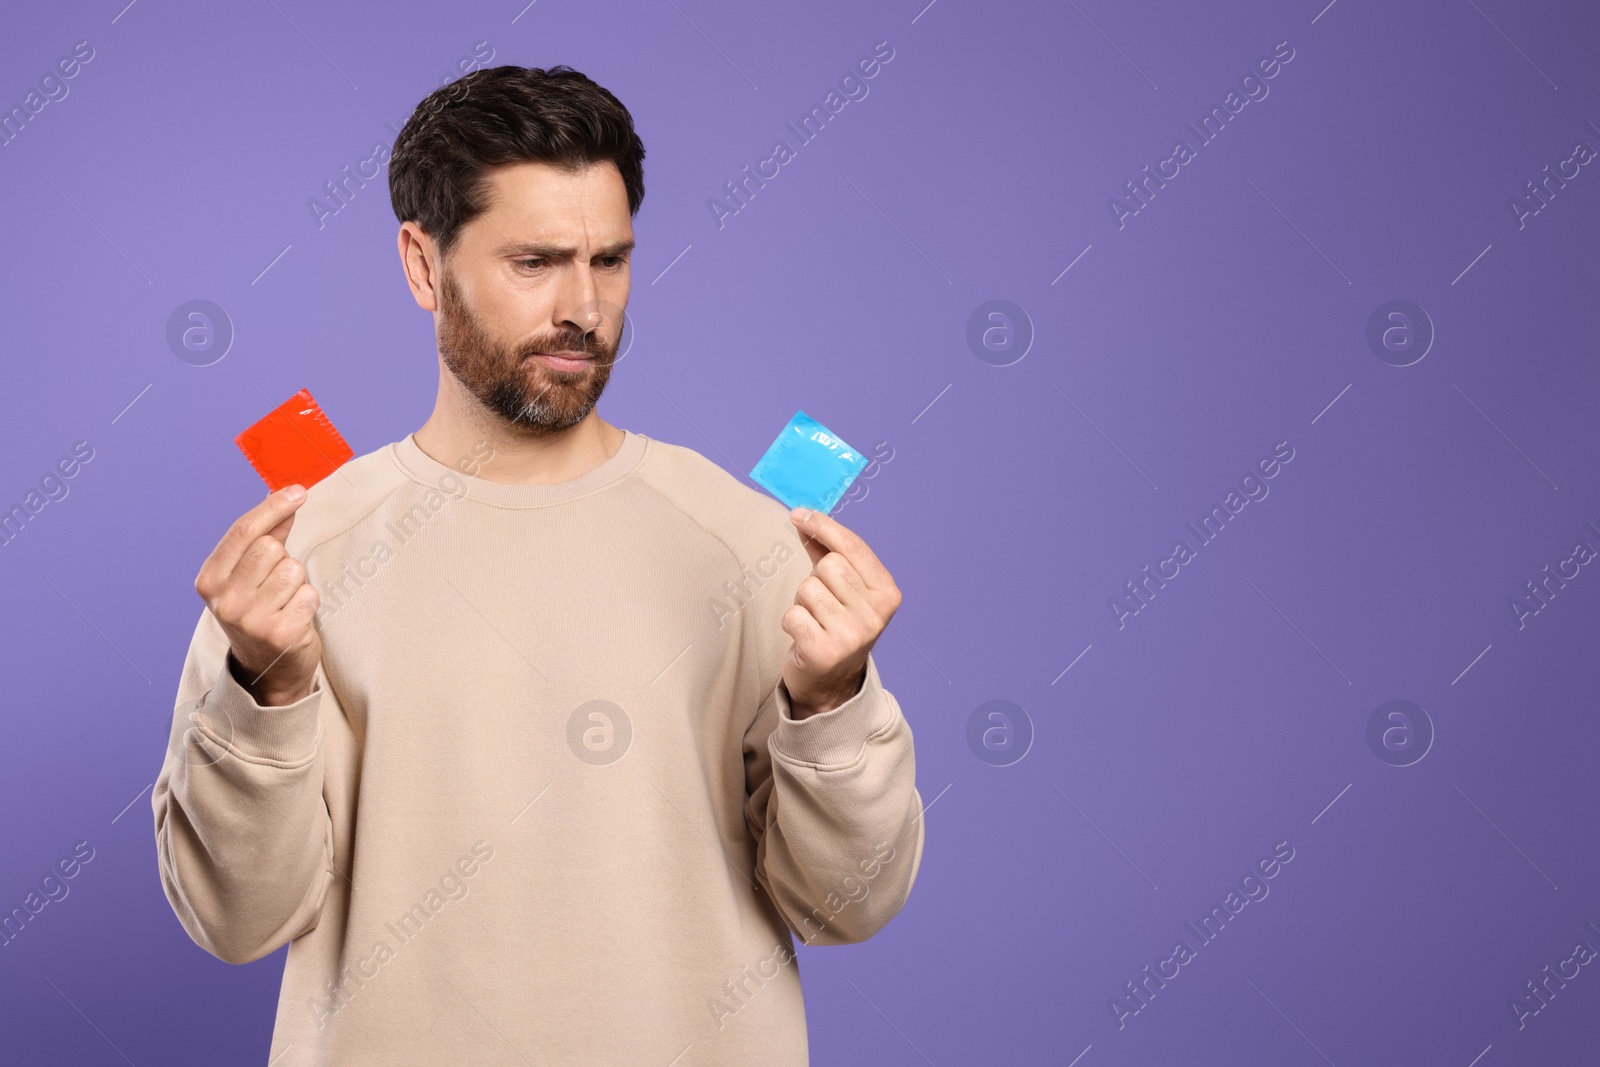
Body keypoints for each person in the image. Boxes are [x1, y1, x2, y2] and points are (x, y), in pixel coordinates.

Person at [151, 64, 923, 1066]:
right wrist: (265, 687)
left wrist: (832, 702)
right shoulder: (298, 556)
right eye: (535, 262)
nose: (585, 308)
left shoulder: (744, 538)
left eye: (610, 260)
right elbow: (234, 920)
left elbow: (848, 908)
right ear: (423, 266)